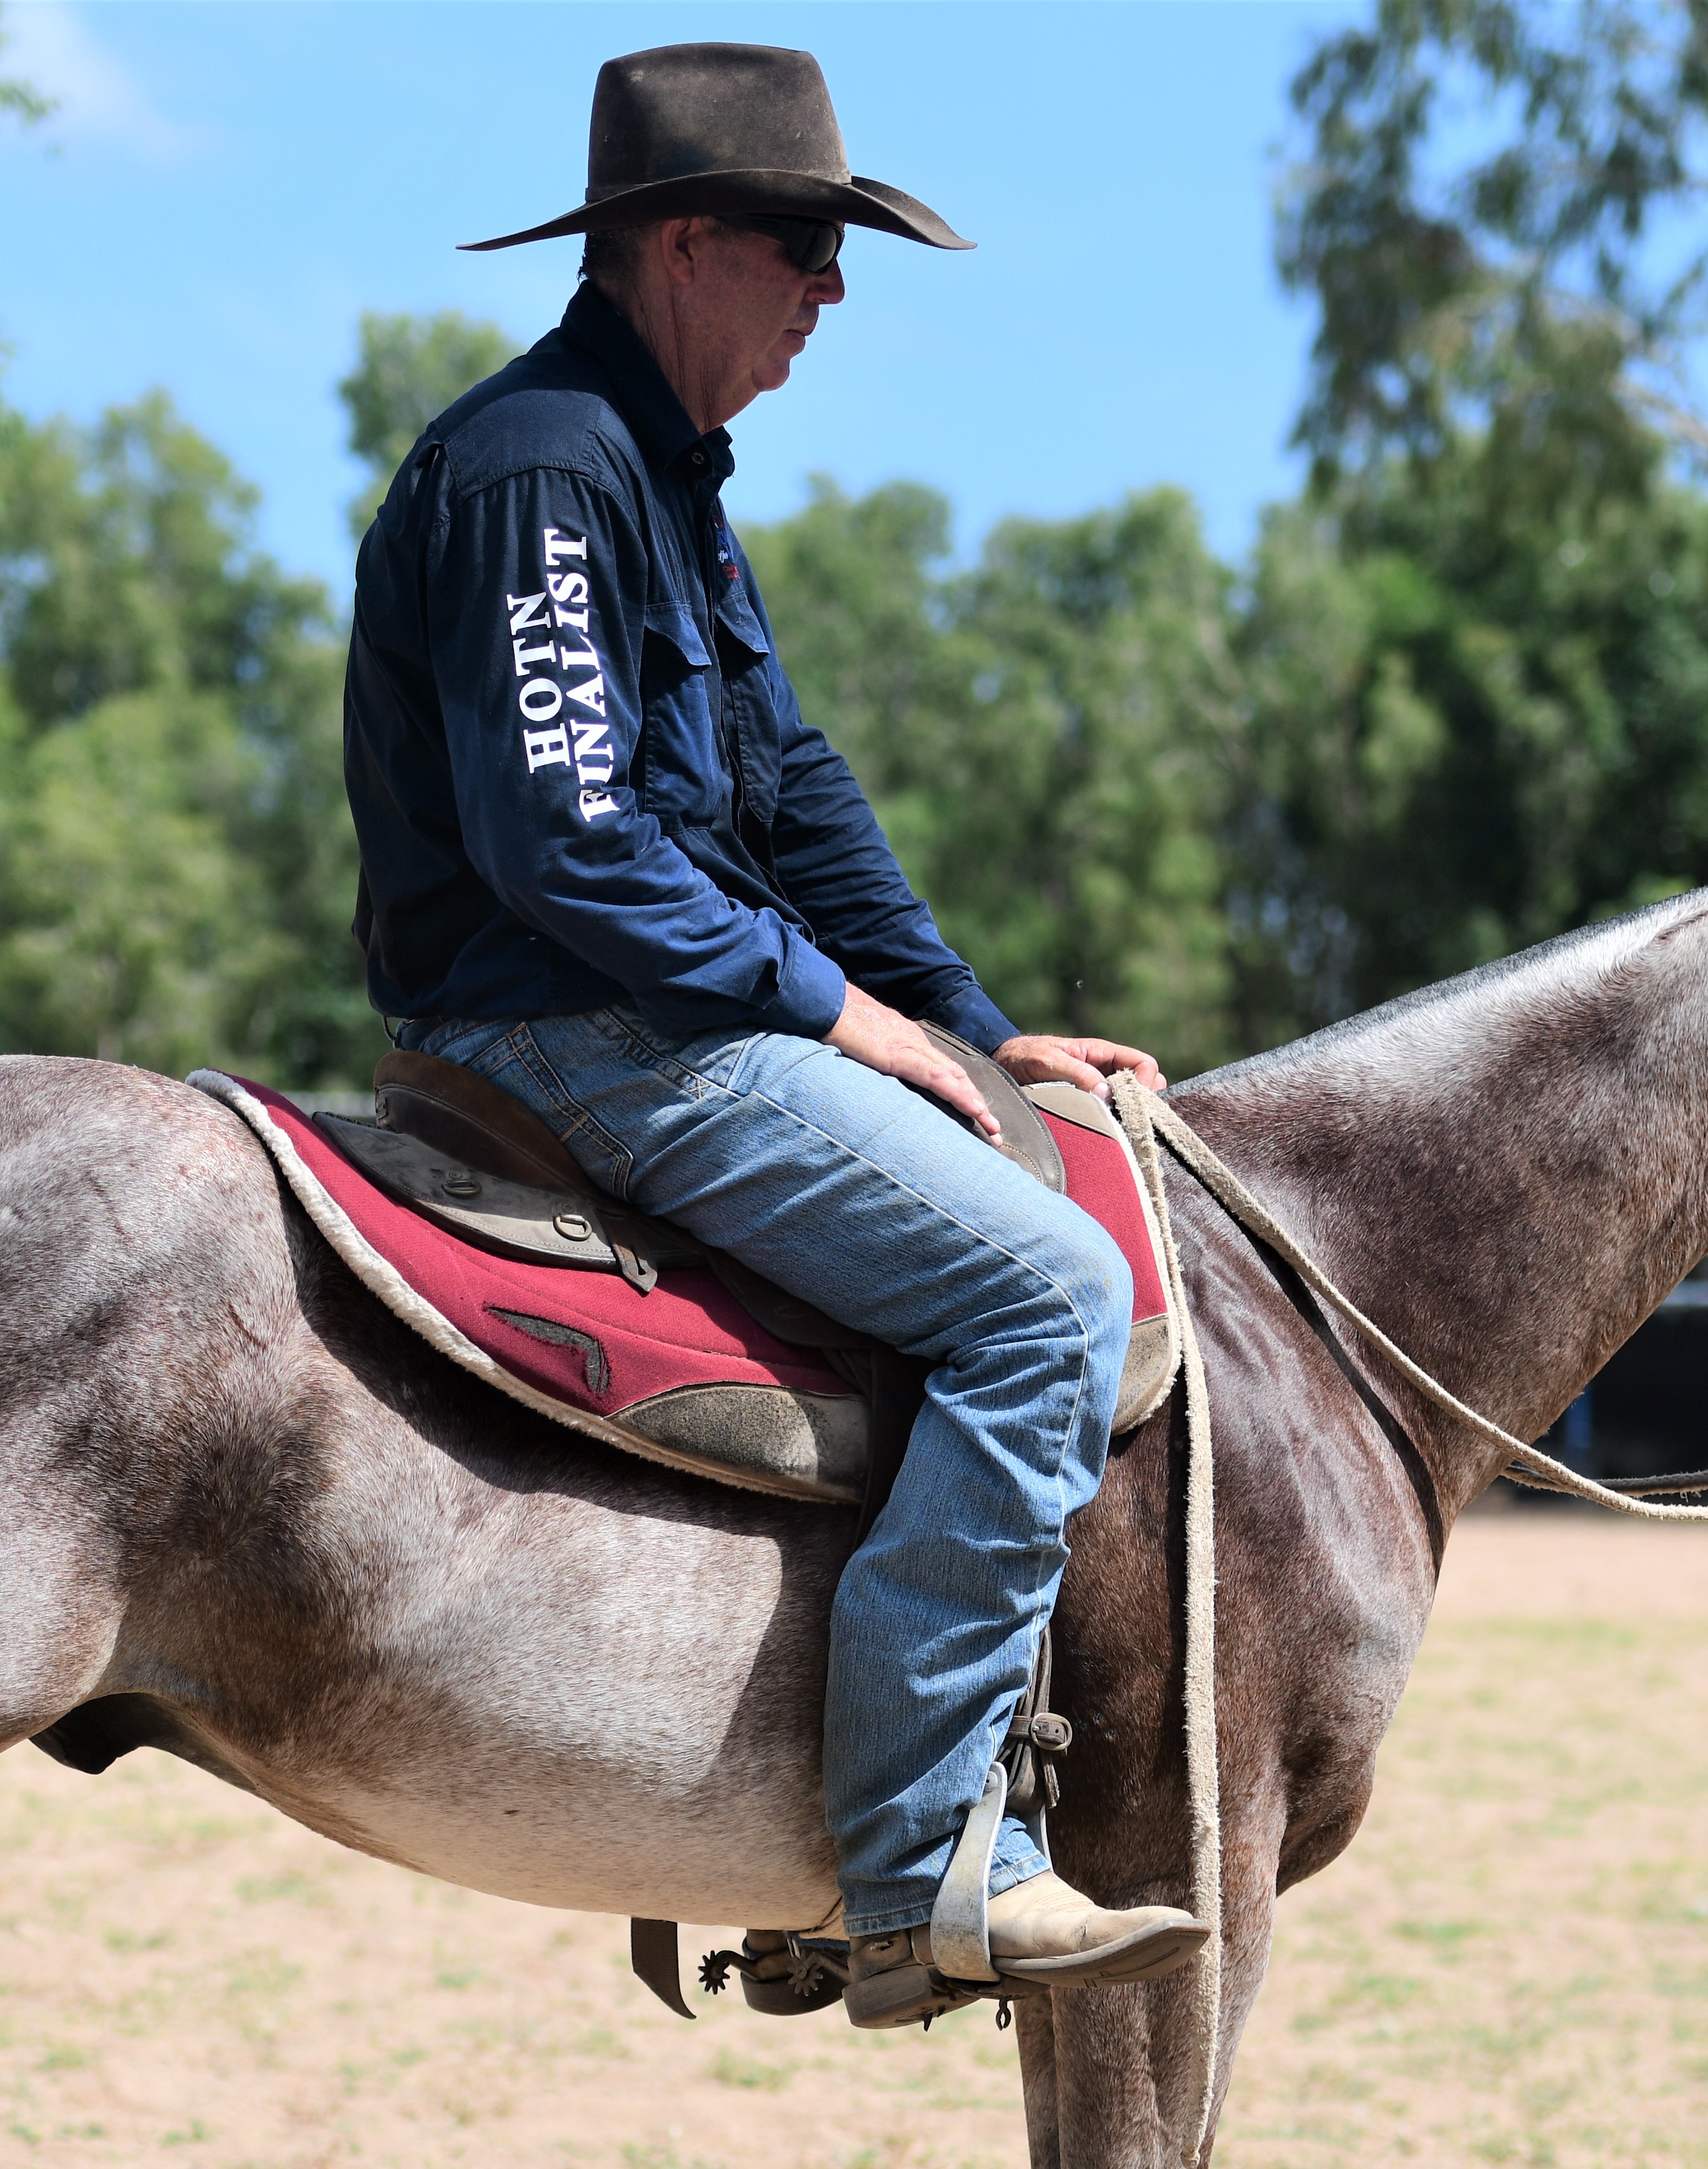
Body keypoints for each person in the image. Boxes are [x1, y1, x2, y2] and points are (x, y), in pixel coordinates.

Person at [342, 43, 1207, 2031]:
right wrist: (833, 1010)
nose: (831, 291)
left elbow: (795, 796)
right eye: (806, 246)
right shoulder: (542, 468)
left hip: (662, 1012)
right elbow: (565, 846)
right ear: (680, 243)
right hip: (583, 1033)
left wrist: (974, 1031)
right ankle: (917, 1864)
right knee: (1051, 1302)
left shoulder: (664, 478)